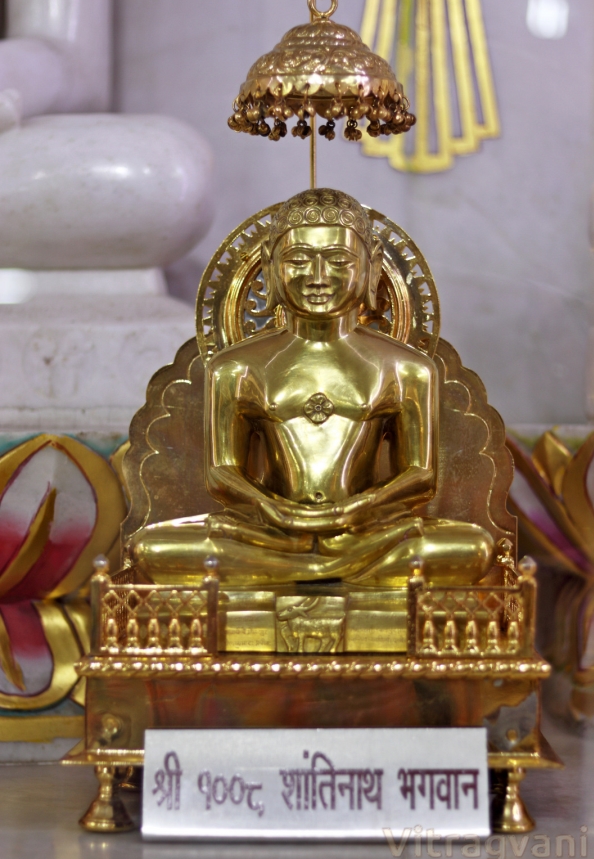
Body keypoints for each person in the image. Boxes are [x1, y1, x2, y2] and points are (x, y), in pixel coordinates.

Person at [131, 188, 494, 588]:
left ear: (371, 266)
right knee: (152, 547)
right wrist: (272, 510)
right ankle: (333, 576)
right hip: (269, 532)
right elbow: (222, 472)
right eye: (298, 260)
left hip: (367, 532)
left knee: (472, 547)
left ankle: (291, 577)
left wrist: (358, 509)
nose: (318, 277)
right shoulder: (235, 367)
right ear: (270, 266)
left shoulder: (408, 368)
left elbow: (420, 474)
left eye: (338, 261)